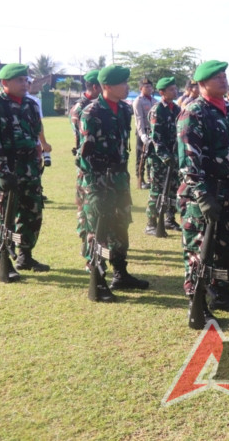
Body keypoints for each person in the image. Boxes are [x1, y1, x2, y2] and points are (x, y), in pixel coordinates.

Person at [177, 60, 229, 321]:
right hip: (204, 194)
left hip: (228, 191)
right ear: (202, 83)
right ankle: (197, 303)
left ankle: (222, 293)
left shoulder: (227, 110)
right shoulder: (194, 112)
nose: (223, 79)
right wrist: (202, 195)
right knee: (199, 251)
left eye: (224, 75)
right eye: (216, 77)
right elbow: (188, 160)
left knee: (228, 248)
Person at [78, 65, 149, 296]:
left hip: (119, 178)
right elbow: (85, 156)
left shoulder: (124, 110)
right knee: (97, 227)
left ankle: (120, 273)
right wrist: (95, 188)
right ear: (107, 86)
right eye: (122, 83)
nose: (127, 86)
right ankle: (97, 278)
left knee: (120, 225)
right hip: (98, 180)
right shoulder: (92, 112)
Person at [0, 63, 49, 280]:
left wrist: (38, 157)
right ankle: (4, 260)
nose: (25, 84)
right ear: (5, 83)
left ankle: (25, 254)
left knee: (31, 212)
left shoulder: (31, 105)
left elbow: (35, 136)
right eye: (19, 80)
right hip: (5, 167)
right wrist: (0, 171)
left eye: (26, 80)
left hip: (29, 168)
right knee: (4, 215)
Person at [70, 70, 103, 267]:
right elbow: (83, 140)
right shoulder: (81, 109)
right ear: (95, 86)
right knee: (85, 209)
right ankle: (87, 245)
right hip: (86, 164)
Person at [145, 77, 181, 235]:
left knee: (173, 189)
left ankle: (169, 219)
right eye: (171, 89)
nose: (175, 91)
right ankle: (151, 223)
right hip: (160, 159)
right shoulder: (157, 110)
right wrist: (166, 158)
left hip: (174, 157)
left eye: (175, 88)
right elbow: (156, 139)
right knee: (157, 190)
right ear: (162, 92)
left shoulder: (177, 109)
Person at [133, 78, 155, 189]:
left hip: (152, 132)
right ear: (141, 88)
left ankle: (150, 179)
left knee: (151, 156)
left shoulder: (154, 101)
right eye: (146, 87)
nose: (149, 88)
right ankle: (140, 180)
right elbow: (139, 119)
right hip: (143, 131)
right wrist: (142, 135)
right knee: (141, 157)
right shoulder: (138, 101)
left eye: (150, 86)